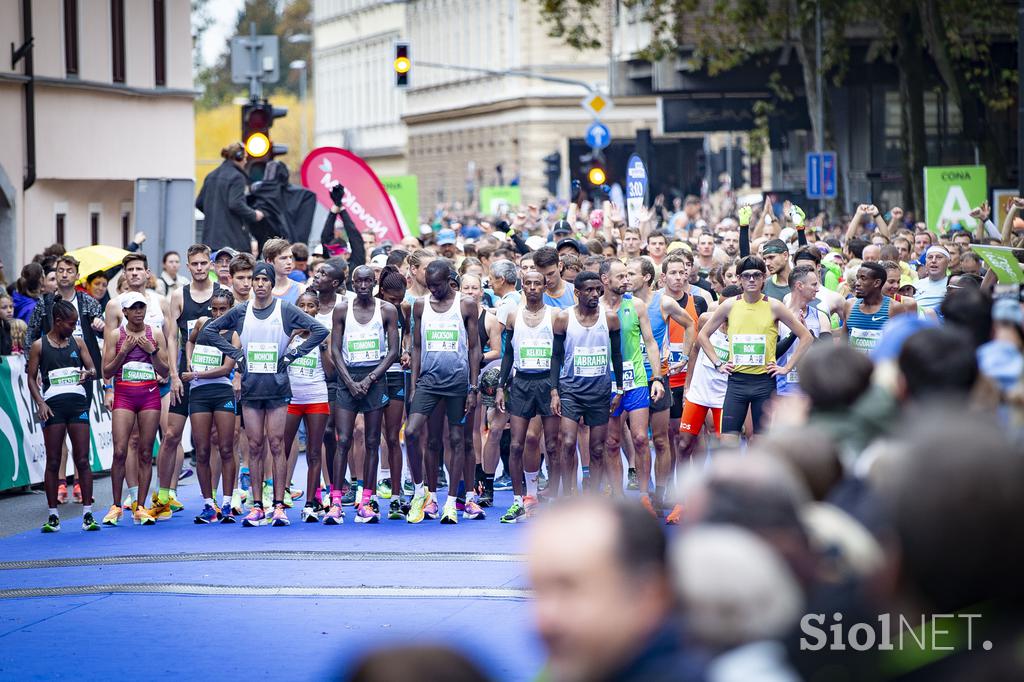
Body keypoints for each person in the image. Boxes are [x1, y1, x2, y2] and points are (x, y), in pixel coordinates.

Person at [198, 262, 328, 527]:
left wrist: (292, 354)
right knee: (255, 447)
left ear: (271, 284)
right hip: (252, 388)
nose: (259, 284)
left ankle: (279, 505)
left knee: (277, 445)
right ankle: (257, 505)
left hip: (278, 388)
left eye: (264, 280)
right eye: (255, 280)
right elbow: (210, 330)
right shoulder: (241, 310)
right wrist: (236, 355)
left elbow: (320, 330)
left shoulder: (285, 309)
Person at [528, 498, 691, 682]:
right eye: (539, 591)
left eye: (570, 589)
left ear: (649, 595)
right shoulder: (564, 670)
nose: (543, 621)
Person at [697, 255, 812, 442]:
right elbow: (703, 335)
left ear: (763, 278)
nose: (752, 279)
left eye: (757, 275)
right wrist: (718, 363)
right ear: (740, 279)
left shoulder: (775, 306)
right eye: (747, 275)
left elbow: (806, 336)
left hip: (764, 383)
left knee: (759, 443)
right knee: (727, 442)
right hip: (737, 383)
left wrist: (786, 367)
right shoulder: (729, 305)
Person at [405, 260, 481, 524]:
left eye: (437, 285)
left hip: (458, 383)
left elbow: (474, 348)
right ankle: (423, 494)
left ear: (450, 280)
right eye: (429, 285)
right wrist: (414, 385)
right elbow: (415, 347)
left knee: (457, 439)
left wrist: (473, 386)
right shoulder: (420, 305)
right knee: (416, 433)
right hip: (428, 381)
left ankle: (450, 502)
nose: (433, 289)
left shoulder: (466, 304)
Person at [150, 244, 221, 521]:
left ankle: (212, 497)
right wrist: (174, 374)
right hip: (185, 374)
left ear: (210, 265)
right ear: (188, 267)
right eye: (195, 264)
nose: (200, 268)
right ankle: (164, 495)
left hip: (214, 373)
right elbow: (172, 337)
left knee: (214, 438)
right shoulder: (178, 295)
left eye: (205, 263)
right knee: (170, 435)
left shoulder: (221, 295)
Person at [102, 253, 176, 511]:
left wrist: (173, 374)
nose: (134, 273)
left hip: (159, 382)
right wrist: (108, 388)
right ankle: (134, 496)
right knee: (129, 443)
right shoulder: (113, 306)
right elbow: (108, 349)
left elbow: (170, 341)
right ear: (124, 274)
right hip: (126, 384)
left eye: (138, 269)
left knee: (168, 435)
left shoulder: (161, 303)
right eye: (129, 269)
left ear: (148, 272)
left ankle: (165, 494)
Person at [327, 266, 401, 524]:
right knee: (343, 440)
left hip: (375, 378)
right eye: (358, 281)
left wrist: (370, 379)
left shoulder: (387, 310)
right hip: (347, 378)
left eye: (368, 280)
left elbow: (394, 350)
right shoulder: (342, 309)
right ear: (351, 282)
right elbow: (334, 349)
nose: (363, 285)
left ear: (375, 282)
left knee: (372, 441)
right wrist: (348, 380)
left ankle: (366, 501)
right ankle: (335, 502)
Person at [626, 256, 695, 514]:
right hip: (630, 380)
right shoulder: (623, 303)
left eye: (630, 273)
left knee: (661, 440)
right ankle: (645, 493)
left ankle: (661, 493)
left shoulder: (663, 302)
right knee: (638, 439)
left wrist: (685, 357)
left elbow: (690, 325)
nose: (625, 278)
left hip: (658, 377)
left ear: (645, 276)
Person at [549, 271, 624, 495]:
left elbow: (617, 356)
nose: (594, 294)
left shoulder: (610, 317)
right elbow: (555, 356)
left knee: (598, 448)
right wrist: (554, 391)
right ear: (577, 293)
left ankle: (592, 495)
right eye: (589, 290)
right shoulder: (564, 318)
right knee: (569, 442)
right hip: (571, 390)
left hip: (600, 391)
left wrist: (619, 389)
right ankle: (569, 493)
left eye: (597, 289)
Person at [26, 300, 99, 532]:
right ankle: (53, 515)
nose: (74, 327)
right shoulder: (39, 346)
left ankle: (87, 514)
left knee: (83, 460)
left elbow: (93, 369)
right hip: (53, 408)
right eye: (71, 324)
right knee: (54, 460)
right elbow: (31, 377)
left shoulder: (78, 342)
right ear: (57, 322)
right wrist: (40, 402)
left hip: (77, 405)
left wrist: (87, 374)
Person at [495, 270, 559, 523]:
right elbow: (508, 354)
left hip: (547, 381)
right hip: (521, 382)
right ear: (522, 286)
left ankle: (552, 499)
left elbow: (558, 355)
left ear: (545, 286)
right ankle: (521, 499)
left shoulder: (555, 316)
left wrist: (555, 388)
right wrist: (501, 385)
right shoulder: (513, 315)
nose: (532, 287)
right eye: (528, 284)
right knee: (515, 444)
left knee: (552, 445)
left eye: (537, 283)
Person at [599, 258, 664, 502]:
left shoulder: (636, 305)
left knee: (639, 438)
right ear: (605, 280)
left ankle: (645, 496)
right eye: (621, 277)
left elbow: (650, 343)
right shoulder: (594, 307)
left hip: (636, 379)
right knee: (612, 442)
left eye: (628, 275)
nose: (627, 280)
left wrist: (656, 378)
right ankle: (617, 498)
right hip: (607, 383)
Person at [182, 289, 240, 524]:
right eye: (214, 309)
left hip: (222, 391)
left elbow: (227, 368)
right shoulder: (202, 323)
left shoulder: (234, 334)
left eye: (222, 309)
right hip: (199, 394)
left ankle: (227, 503)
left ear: (230, 310)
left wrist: (196, 372)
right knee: (202, 450)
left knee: (226, 448)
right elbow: (189, 341)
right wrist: (188, 359)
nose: (217, 313)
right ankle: (208, 504)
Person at [284, 290, 336, 523]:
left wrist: (323, 345)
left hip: (316, 395)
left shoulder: (324, 335)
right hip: (291, 399)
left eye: (311, 306)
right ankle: (278, 500)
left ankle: (310, 504)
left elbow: (331, 372)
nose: (306, 310)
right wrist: (291, 334)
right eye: (301, 306)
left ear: (317, 309)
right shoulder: (289, 334)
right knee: (281, 450)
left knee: (315, 452)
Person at [375, 265, 413, 520]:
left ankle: (397, 496)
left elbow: (407, 332)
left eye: (399, 300)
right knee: (369, 436)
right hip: (372, 374)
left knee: (392, 435)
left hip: (396, 373)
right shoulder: (369, 309)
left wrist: (406, 350)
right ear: (381, 293)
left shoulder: (405, 308)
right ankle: (367, 495)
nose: (396, 304)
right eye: (391, 300)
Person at [195, 141, 265, 252]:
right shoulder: (237, 177)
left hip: (210, 241)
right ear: (238, 157)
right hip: (232, 242)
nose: (246, 161)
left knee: (214, 269)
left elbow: (199, 203)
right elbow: (235, 203)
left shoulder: (211, 175)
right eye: (245, 157)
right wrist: (254, 214)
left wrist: (215, 213)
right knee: (234, 268)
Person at [774, 264, 832, 397]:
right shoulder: (777, 317)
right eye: (814, 285)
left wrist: (808, 333)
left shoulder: (820, 315)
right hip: (784, 389)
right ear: (799, 286)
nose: (817, 289)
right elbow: (774, 353)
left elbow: (828, 351)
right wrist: (797, 332)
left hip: (812, 389)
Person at [845, 261, 913, 354]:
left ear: (877, 283)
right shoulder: (850, 305)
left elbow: (902, 345)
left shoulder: (895, 308)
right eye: (857, 278)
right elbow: (842, 343)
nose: (857, 283)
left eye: (863, 278)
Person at [263, 238, 302, 305]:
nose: (289, 262)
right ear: (269, 261)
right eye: (283, 258)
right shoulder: (256, 291)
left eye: (290, 257)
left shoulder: (301, 290)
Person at [913, 245, 951, 311]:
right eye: (930, 257)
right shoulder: (916, 285)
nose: (933, 260)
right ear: (926, 262)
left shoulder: (952, 286)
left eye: (939, 257)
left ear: (948, 262)